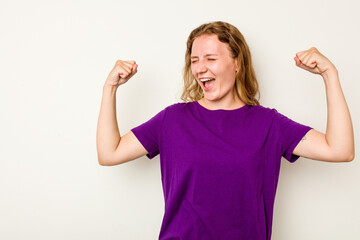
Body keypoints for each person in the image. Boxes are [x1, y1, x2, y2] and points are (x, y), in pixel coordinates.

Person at [96, 21, 354, 240]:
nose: (200, 68)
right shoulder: (172, 120)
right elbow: (110, 153)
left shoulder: (269, 124)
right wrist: (110, 88)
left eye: (211, 58)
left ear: (237, 63)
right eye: (195, 60)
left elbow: (340, 149)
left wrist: (330, 74)